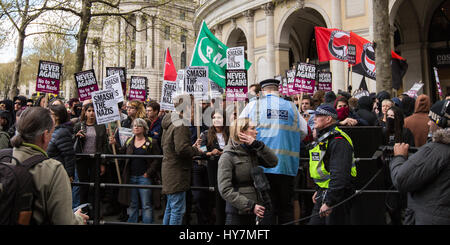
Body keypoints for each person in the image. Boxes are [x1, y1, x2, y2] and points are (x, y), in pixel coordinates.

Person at [239, 79, 308, 225]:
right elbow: (304, 131)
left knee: (265, 208)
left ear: (262, 91)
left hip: (261, 166)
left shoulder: (252, 106)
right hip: (286, 166)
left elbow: (239, 131)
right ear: (278, 90)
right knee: (286, 209)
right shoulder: (291, 107)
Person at [9, 107, 88, 224]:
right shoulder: (53, 169)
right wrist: (79, 219)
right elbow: (64, 222)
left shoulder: (4, 157)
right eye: (51, 132)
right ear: (45, 136)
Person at [390, 100, 450, 225]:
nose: (428, 123)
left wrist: (399, 157)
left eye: (431, 119)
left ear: (441, 122)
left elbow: (401, 179)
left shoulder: (437, 150)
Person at [218, 117, 278, 225]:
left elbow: (273, 162)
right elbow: (225, 189)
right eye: (252, 128)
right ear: (242, 132)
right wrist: (250, 205)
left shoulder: (252, 151)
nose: (256, 131)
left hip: (257, 209)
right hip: (238, 213)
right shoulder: (227, 156)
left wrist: (259, 145)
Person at [308, 104, 356, 225]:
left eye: (318, 116)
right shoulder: (325, 138)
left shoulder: (338, 140)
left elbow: (339, 174)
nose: (314, 118)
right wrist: (319, 189)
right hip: (325, 193)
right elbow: (325, 168)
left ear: (328, 119)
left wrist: (330, 202)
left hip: (337, 197)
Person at [161, 94, 203, 225]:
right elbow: (181, 149)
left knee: (171, 208)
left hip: (170, 169)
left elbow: (173, 146)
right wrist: (196, 150)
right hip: (177, 172)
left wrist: (190, 147)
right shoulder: (180, 123)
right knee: (177, 210)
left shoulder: (170, 121)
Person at [110, 118, 162, 224]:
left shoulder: (152, 142)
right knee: (133, 204)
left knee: (146, 204)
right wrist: (114, 144)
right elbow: (121, 154)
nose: (136, 127)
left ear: (144, 128)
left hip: (145, 177)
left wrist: (148, 173)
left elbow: (157, 159)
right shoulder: (129, 141)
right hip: (131, 177)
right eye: (134, 126)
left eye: (139, 125)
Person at [73, 103, 109, 205]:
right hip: (82, 159)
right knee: (83, 186)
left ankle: (94, 211)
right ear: (85, 112)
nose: (91, 113)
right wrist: (76, 136)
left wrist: (103, 163)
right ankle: (83, 210)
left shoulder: (101, 127)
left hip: (96, 159)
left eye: (93, 111)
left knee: (94, 187)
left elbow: (104, 145)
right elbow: (71, 142)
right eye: (89, 111)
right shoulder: (78, 125)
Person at [200, 110, 229, 225]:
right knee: (217, 199)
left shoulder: (231, 132)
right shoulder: (206, 134)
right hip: (214, 169)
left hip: (228, 169)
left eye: (219, 117)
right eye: (214, 117)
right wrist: (209, 153)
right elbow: (201, 150)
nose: (216, 120)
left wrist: (223, 153)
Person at [47, 104, 76, 180]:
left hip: (58, 173)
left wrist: (69, 175)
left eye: (50, 114)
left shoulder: (62, 132)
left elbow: (69, 155)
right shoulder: (51, 130)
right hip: (50, 171)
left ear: (57, 117)